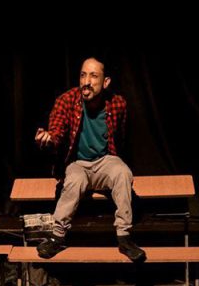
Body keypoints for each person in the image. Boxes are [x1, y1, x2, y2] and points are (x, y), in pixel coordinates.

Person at [34, 56, 146, 262]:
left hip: (105, 161)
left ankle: (124, 237)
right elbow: (57, 132)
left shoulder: (118, 104)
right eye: (83, 75)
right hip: (77, 163)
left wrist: (115, 160)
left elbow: (121, 138)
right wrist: (48, 140)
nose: (86, 81)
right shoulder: (66, 101)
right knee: (75, 180)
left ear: (105, 82)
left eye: (93, 76)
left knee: (123, 172)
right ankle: (57, 237)